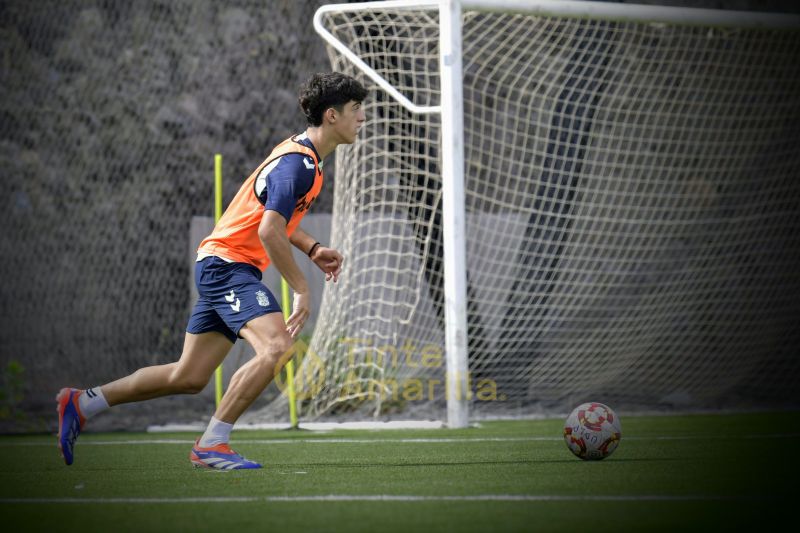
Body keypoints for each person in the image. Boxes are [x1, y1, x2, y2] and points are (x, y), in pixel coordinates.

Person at [57, 72, 368, 470]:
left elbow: (275, 218)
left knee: (188, 377)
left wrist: (314, 247)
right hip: (228, 266)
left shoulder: (304, 158)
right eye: (356, 110)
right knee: (277, 347)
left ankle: (83, 402)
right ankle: (212, 444)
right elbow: (268, 229)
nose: (362, 119)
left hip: (221, 264)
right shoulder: (300, 165)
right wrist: (302, 290)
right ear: (331, 115)